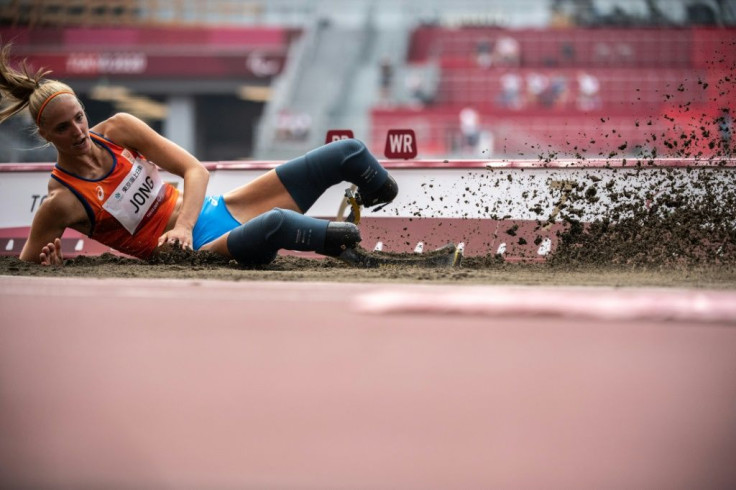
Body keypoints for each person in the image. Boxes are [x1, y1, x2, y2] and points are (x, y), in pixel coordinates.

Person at [0, 44, 398, 267]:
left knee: (350, 153)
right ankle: (347, 247)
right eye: (63, 128)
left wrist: (186, 224)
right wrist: (44, 266)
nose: (79, 132)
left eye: (79, 118)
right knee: (276, 224)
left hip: (214, 212)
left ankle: (366, 218)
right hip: (196, 252)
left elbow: (195, 170)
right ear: (44, 134)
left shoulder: (119, 129)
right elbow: (24, 265)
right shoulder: (62, 201)